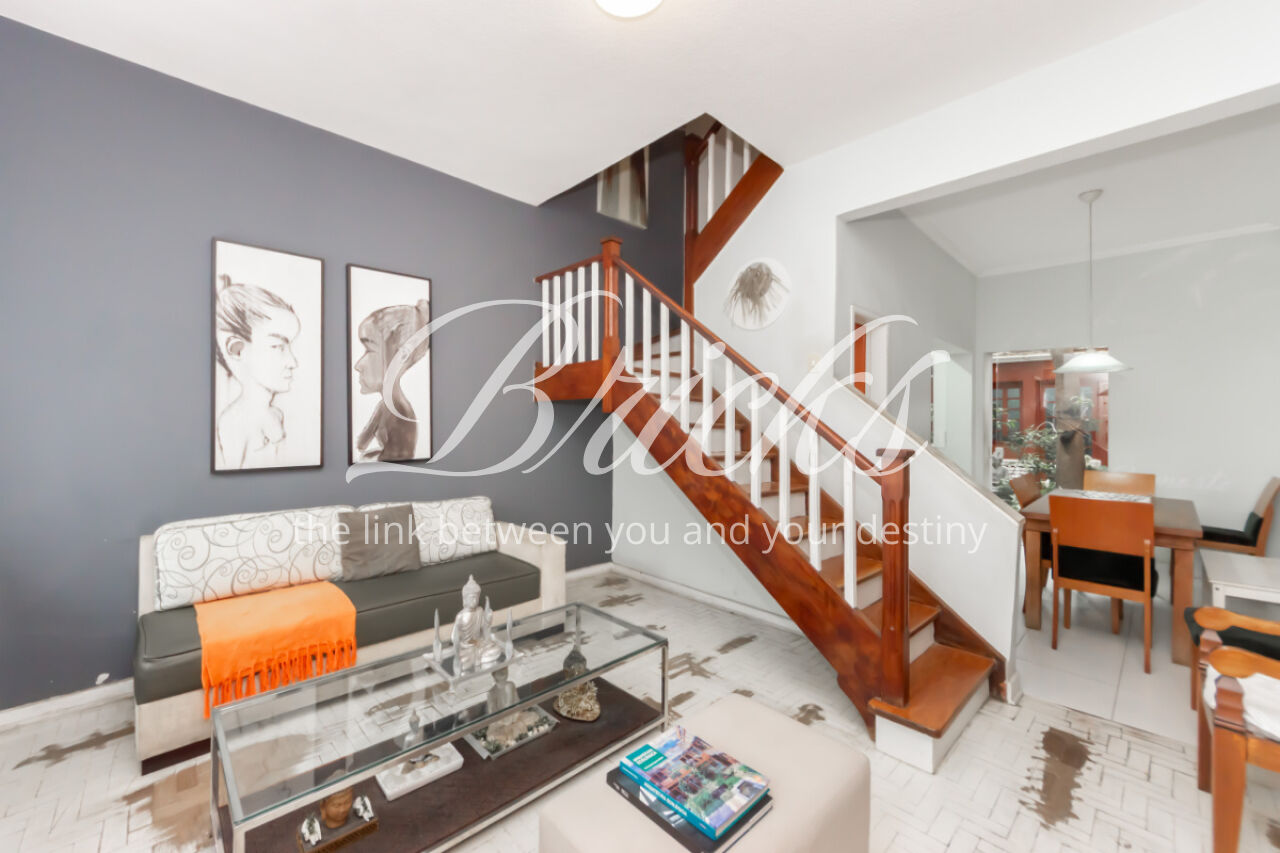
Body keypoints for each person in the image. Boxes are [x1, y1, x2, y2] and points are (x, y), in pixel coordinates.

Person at [213, 274, 300, 468]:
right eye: (277, 346)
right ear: (237, 349)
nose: (292, 362)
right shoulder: (233, 422)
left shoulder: (276, 414)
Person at [353, 300, 430, 462]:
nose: (358, 365)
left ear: (401, 356)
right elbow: (360, 443)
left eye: (369, 350)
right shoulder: (384, 406)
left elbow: (397, 460)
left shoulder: (401, 412)